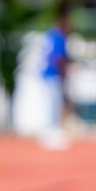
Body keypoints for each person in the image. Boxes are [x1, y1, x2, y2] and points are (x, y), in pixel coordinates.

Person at [39, 9, 71, 150]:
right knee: (53, 104)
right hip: (53, 74)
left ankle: (50, 131)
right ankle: (50, 132)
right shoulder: (59, 37)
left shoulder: (50, 35)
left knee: (51, 103)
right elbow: (58, 58)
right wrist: (64, 74)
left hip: (47, 74)